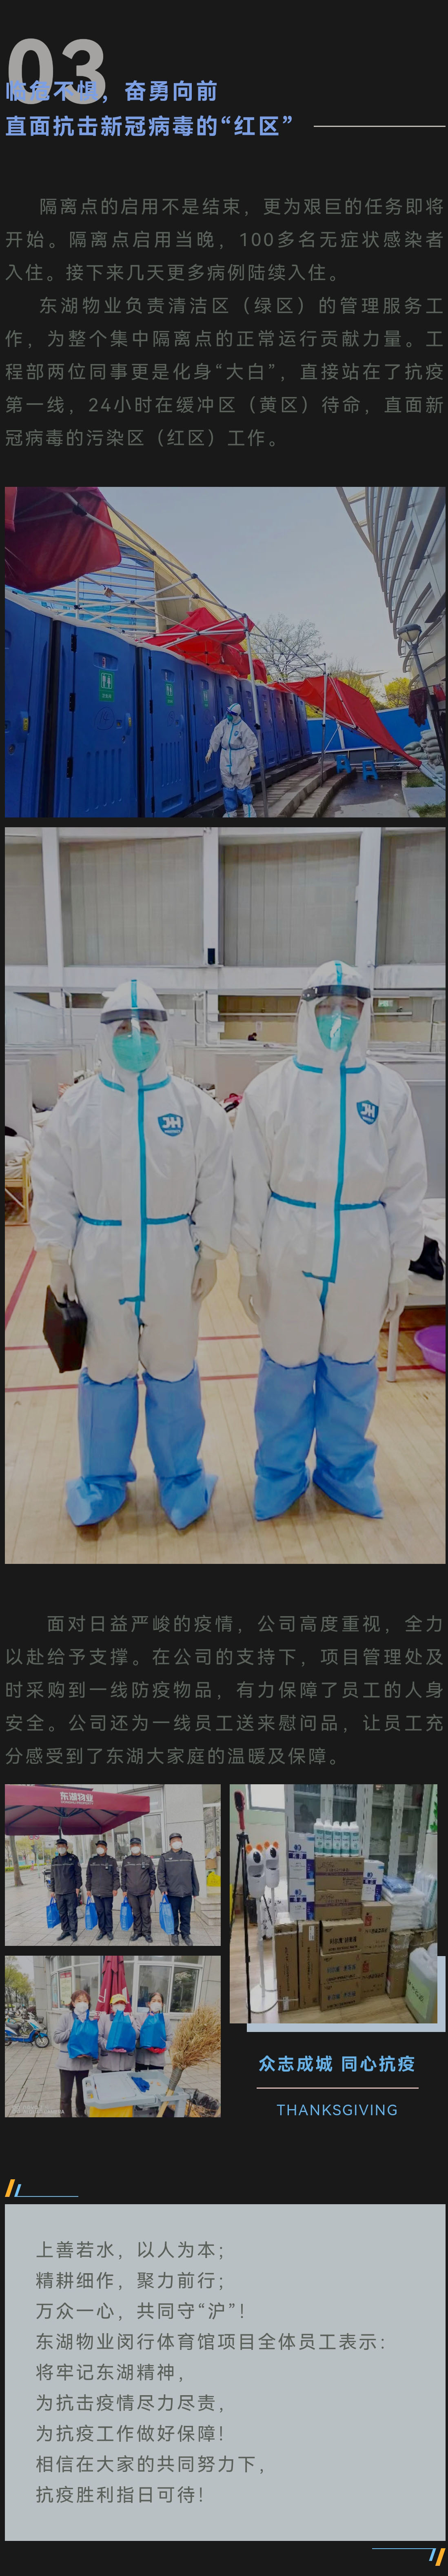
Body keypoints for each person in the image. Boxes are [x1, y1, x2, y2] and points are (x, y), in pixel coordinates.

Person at [30, 977, 233, 1532]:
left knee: (173, 1370)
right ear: (104, 1035)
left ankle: (182, 1478)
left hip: (173, 1257)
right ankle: (101, 1481)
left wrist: (211, 1252)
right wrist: (59, 1255)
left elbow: (216, 1184)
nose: (136, 1038)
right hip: (98, 1257)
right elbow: (53, 1184)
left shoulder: (194, 1108)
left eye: (145, 1028)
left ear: (163, 1033)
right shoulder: (77, 1109)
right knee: (106, 1371)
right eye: (123, 1028)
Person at [232, 957, 427, 1521]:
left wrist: (401, 1263)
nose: (339, 1017)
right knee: (286, 1369)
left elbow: (406, 1183)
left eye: (351, 1007)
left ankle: (345, 1475)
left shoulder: (389, 1091)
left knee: (351, 1367)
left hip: (362, 1242)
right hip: (287, 1241)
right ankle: (279, 1476)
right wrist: (247, 1261)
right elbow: (249, 1182)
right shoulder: (270, 1091)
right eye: (328, 1007)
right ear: (307, 1011)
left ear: (364, 1014)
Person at [205, 701, 258, 817]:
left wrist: (252, 759)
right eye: (228, 713)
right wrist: (210, 751)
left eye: (231, 714)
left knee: (243, 786)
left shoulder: (243, 727)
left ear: (236, 715)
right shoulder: (224, 724)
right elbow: (216, 736)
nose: (228, 716)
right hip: (225, 757)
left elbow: (250, 743)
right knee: (228, 786)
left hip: (240, 758)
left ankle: (249, 812)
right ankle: (230, 813)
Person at [53, 1987, 93, 2118]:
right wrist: (72, 2031)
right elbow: (57, 2038)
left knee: (82, 2093)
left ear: (89, 2004)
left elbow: (93, 2041)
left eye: (85, 2001)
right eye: (79, 2001)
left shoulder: (90, 2020)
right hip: (67, 2064)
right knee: (66, 2096)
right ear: (73, 2003)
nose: (83, 2003)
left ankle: (80, 2113)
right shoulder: (66, 2018)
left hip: (84, 2063)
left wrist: (91, 2053)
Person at [157, 1831, 200, 1948]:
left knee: (186, 1915)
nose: (176, 1843)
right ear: (170, 1844)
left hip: (187, 1893)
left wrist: (196, 1890)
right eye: (174, 1841)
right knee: (173, 1915)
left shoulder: (188, 1857)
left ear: (182, 1842)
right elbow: (161, 1874)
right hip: (172, 1893)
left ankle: (186, 1934)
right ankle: (174, 1934)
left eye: (178, 1841)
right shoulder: (165, 1857)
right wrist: (163, 1888)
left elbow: (193, 1874)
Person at [121, 1836, 157, 1944]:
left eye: (137, 1845)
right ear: (130, 1847)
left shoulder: (147, 1860)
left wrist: (153, 1888)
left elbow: (152, 1875)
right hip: (132, 1893)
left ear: (141, 1847)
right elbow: (123, 1876)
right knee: (136, 1913)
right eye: (133, 1845)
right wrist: (124, 1890)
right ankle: (137, 1932)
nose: (135, 1847)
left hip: (145, 1893)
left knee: (146, 1913)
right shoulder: (126, 1861)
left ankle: (147, 1933)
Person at [85, 1835, 119, 1941]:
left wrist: (115, 1888)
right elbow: (89, 1876)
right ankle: (102, 1931)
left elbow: (116, 1876)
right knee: (100, 1912)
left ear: (106, 1849)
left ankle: (109, 1931)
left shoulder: (111, 1861)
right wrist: (88, 1889)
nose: (100, 1848)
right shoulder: (92, 1861)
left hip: (108, 1891)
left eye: (102, 1847)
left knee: (108, 1912)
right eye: (98, 1847)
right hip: (96, 1892)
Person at [49, 1835, 82, 1943]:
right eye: (59, 1846)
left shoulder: (73, 1859)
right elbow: (53, 1877)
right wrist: (52, 1890)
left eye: (63, 1846)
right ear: (57, 1848)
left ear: (67, 1847)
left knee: (72, 1913)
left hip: (71, 1891)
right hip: (59, 1893)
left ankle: (73, 1932)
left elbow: (78, 1874)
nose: (61, 1848)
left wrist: (78, 1887)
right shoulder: (54, 1861)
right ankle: (65, 1931)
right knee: (62, 1913)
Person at [97, 1992, 137, 2072]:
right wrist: (109, 2045)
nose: (119, 2005)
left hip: (125, 2062)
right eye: (117, 2003)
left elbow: (137, 2036)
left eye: (122, 2003)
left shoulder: (130, 2019)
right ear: (112, 2006)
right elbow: (98, 2037)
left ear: (125, 2006)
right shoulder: (104, 2019)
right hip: (108, 2062)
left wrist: (131, 2024)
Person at [135, 1990, 172, 2070]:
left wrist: (163, 2047)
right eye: (154, 2001)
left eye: (159, 2001)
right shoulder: (141, 2018)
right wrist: (144, 2029)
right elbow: (136, 2036)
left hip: (158, 2060)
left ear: (162, 2005)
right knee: (140, 2078)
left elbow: (170, 2040)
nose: (156, 2003)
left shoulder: (165, 2020)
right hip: (142, 2059)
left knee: (156, 2078)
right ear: (149, 2004)